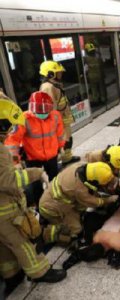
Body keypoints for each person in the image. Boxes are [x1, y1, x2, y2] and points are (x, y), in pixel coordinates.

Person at [0, 98, 66, 297]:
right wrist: (35, 173)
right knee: (22, 242)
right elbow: (7, 179)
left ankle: (12, 274)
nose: (11, 130)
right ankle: (40, 272)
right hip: (4, 210)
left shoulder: (53, 116)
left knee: (4, 246)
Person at [5, 91, 65, 206]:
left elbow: (59, 133)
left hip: (51, 156)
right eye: (39, 110)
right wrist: (15, 161)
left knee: (54, 181)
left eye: (46, 109)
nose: (43, 113)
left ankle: (56, 202)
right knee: (35, 184)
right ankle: (40, 205)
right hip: (32, 157)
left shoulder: (55, 116)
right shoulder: (23, 119)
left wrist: (61, 147)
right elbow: (12, 141)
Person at [39, 162, 117, 245]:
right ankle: (47, 233)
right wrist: (108, 200)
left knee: (81, 208)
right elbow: (94, 201)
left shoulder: (84, 168)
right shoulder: (79, 189)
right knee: (77, 230)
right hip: (51, 208)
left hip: (59, 200)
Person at [39, 60, 80, 166]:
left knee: (68, 139)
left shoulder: (54, 84)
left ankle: (67, 158)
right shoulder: (48, 87)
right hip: (59, 122)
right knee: (63, 142)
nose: (61, 73)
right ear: (50, 73)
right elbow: (50, 109)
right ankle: (59, 162)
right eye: (58, 72)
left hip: (63, 119)